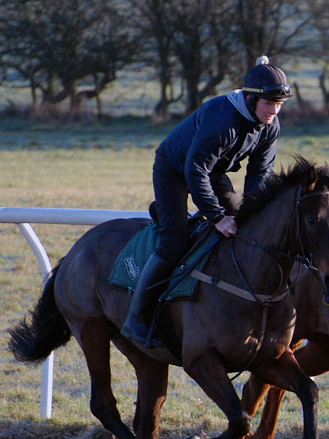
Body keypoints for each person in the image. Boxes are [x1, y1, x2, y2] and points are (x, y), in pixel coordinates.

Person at [121, 56, 292, 346]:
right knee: (174, 242)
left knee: (245, 227)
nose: (274, 111)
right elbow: (194, 171)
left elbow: (260, 173)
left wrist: (252, 211)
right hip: (175, 170)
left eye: (279, 105)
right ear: (251, 98)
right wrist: (217, 217)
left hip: (212, 173)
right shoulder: (222, 120)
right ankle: (136, 317)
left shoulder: (270, 125)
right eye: (268, 104)